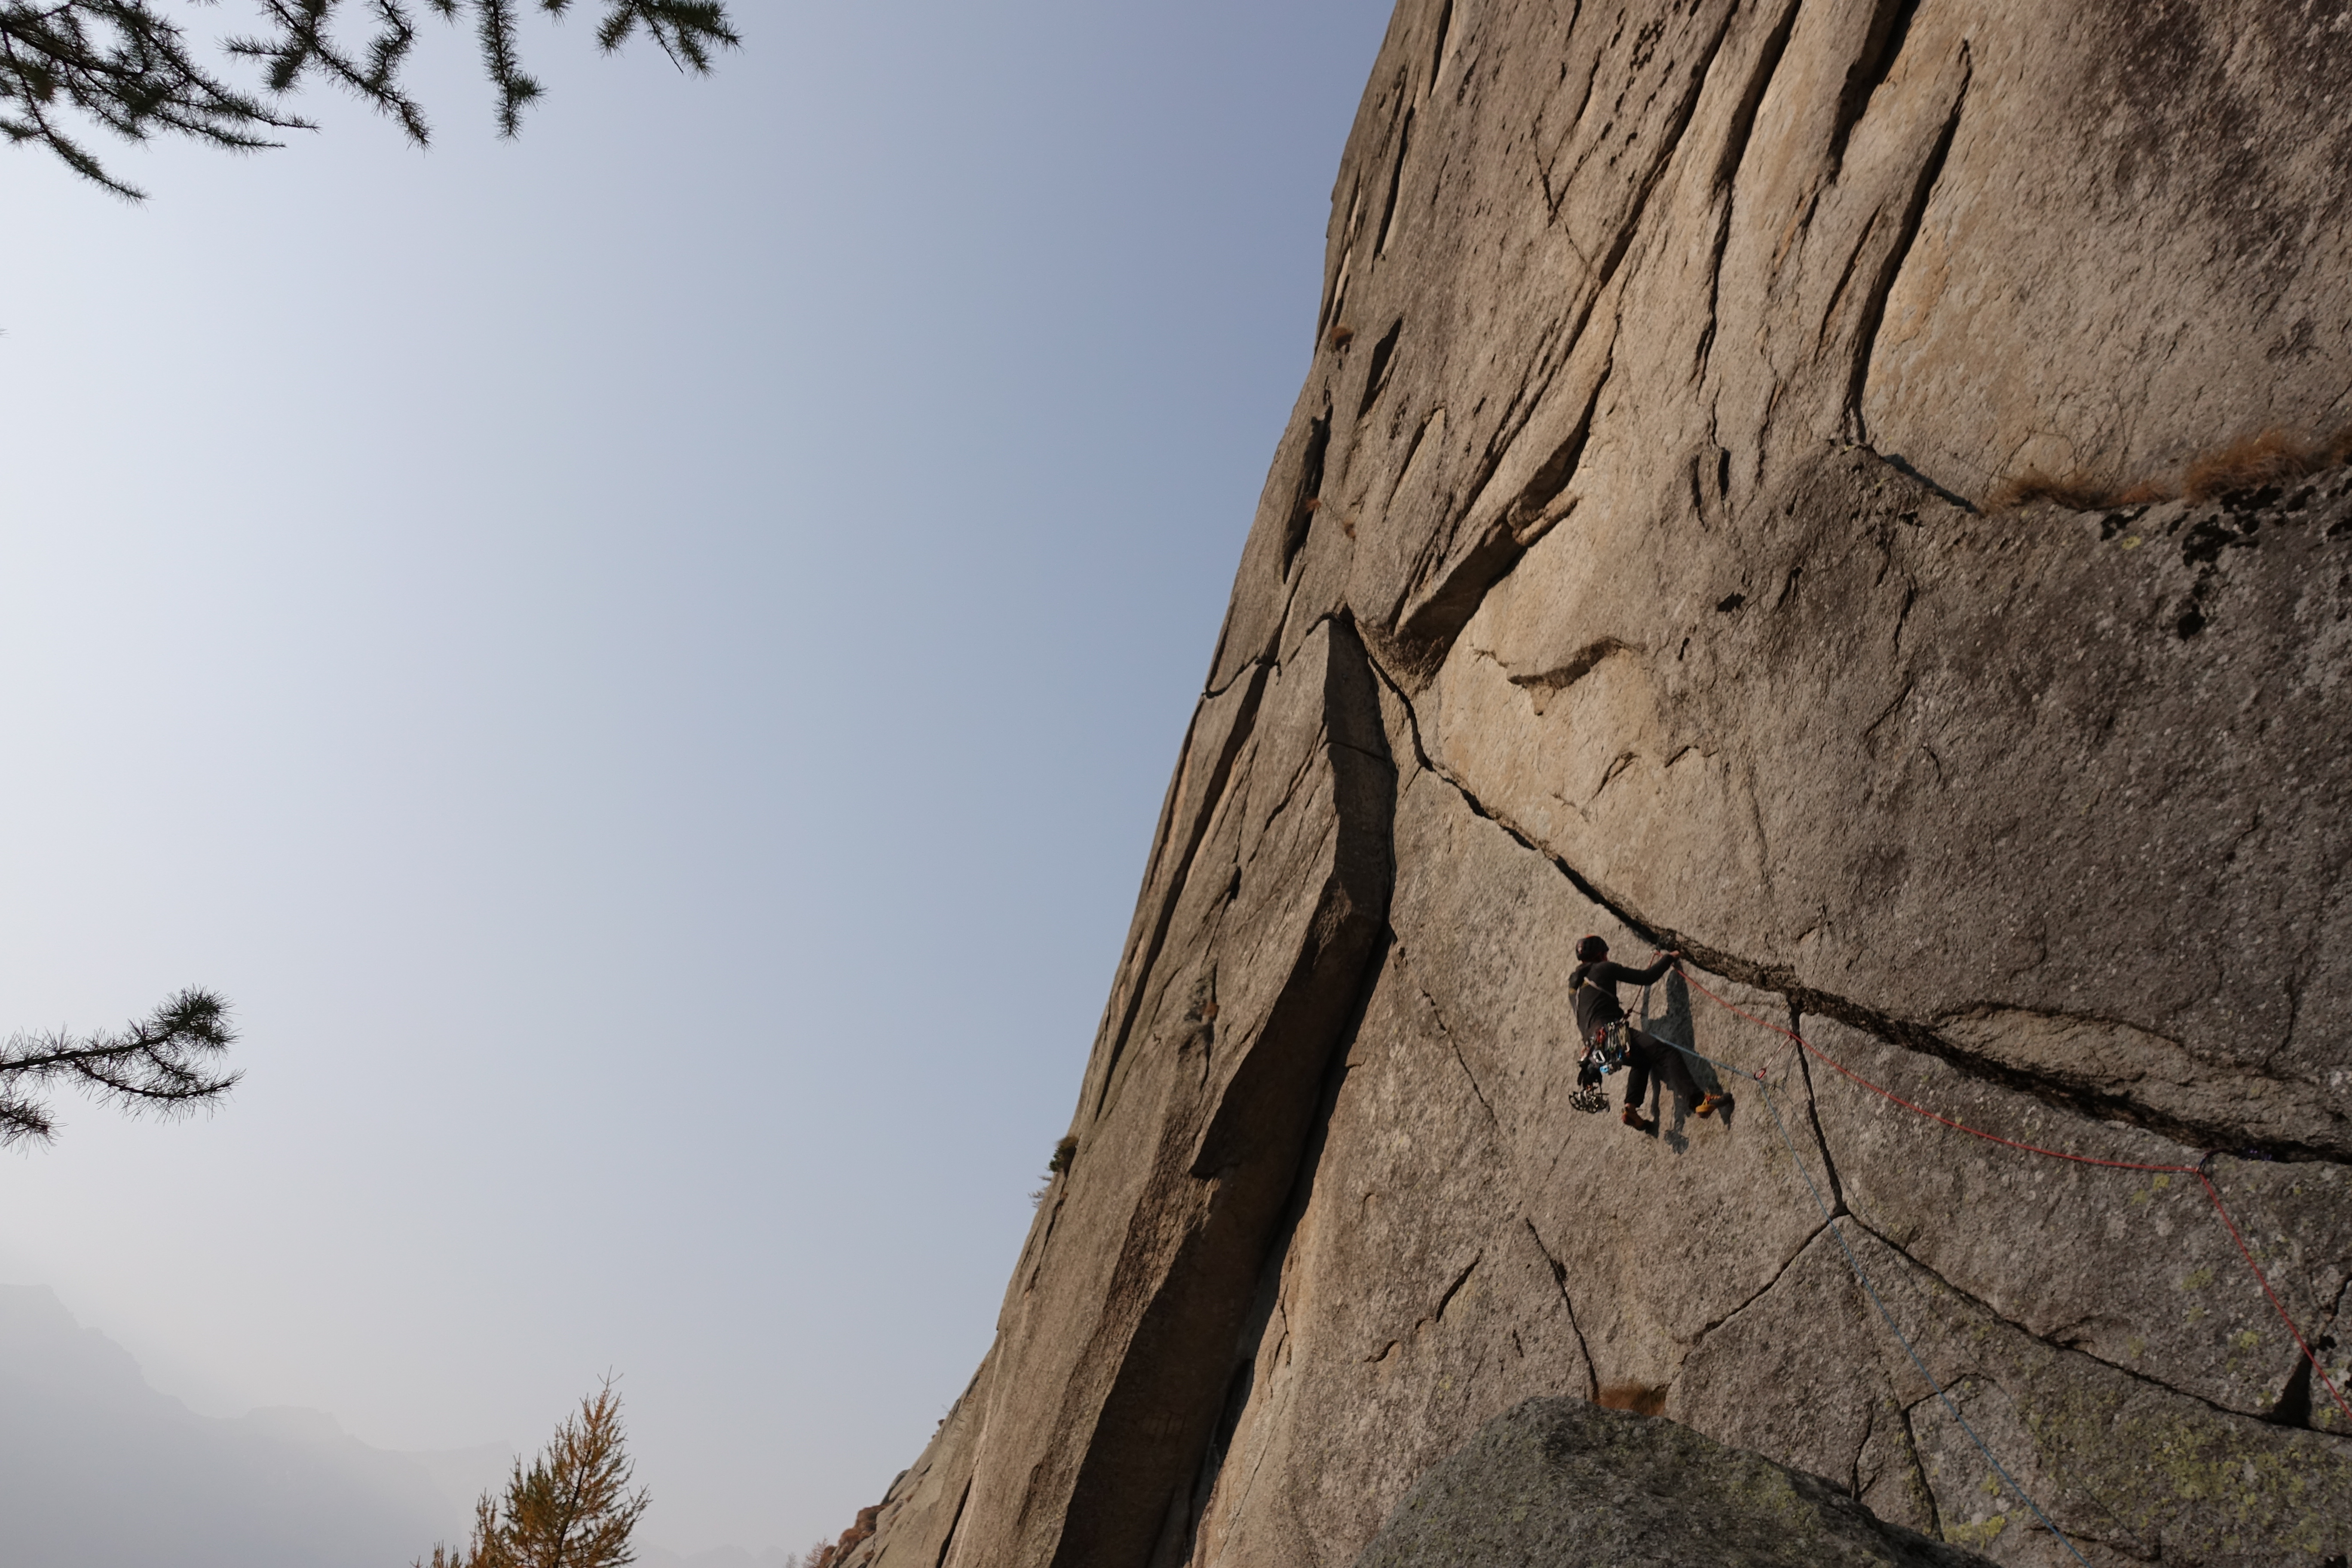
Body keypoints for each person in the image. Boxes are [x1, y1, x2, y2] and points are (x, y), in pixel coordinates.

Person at [1570, 934, 1729, 1132]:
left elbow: (1594, 1010)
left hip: (1595, 1050)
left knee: (1641, 1061)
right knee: (1666, 1054)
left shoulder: (1573, 987)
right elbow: (1647, 978)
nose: (1607, 958)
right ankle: (1699, 1101)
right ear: (1600, 954)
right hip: (1611, 1036)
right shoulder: (1603, 969)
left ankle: (1631, 1109)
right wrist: (1670, 957)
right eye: (1605, 954)